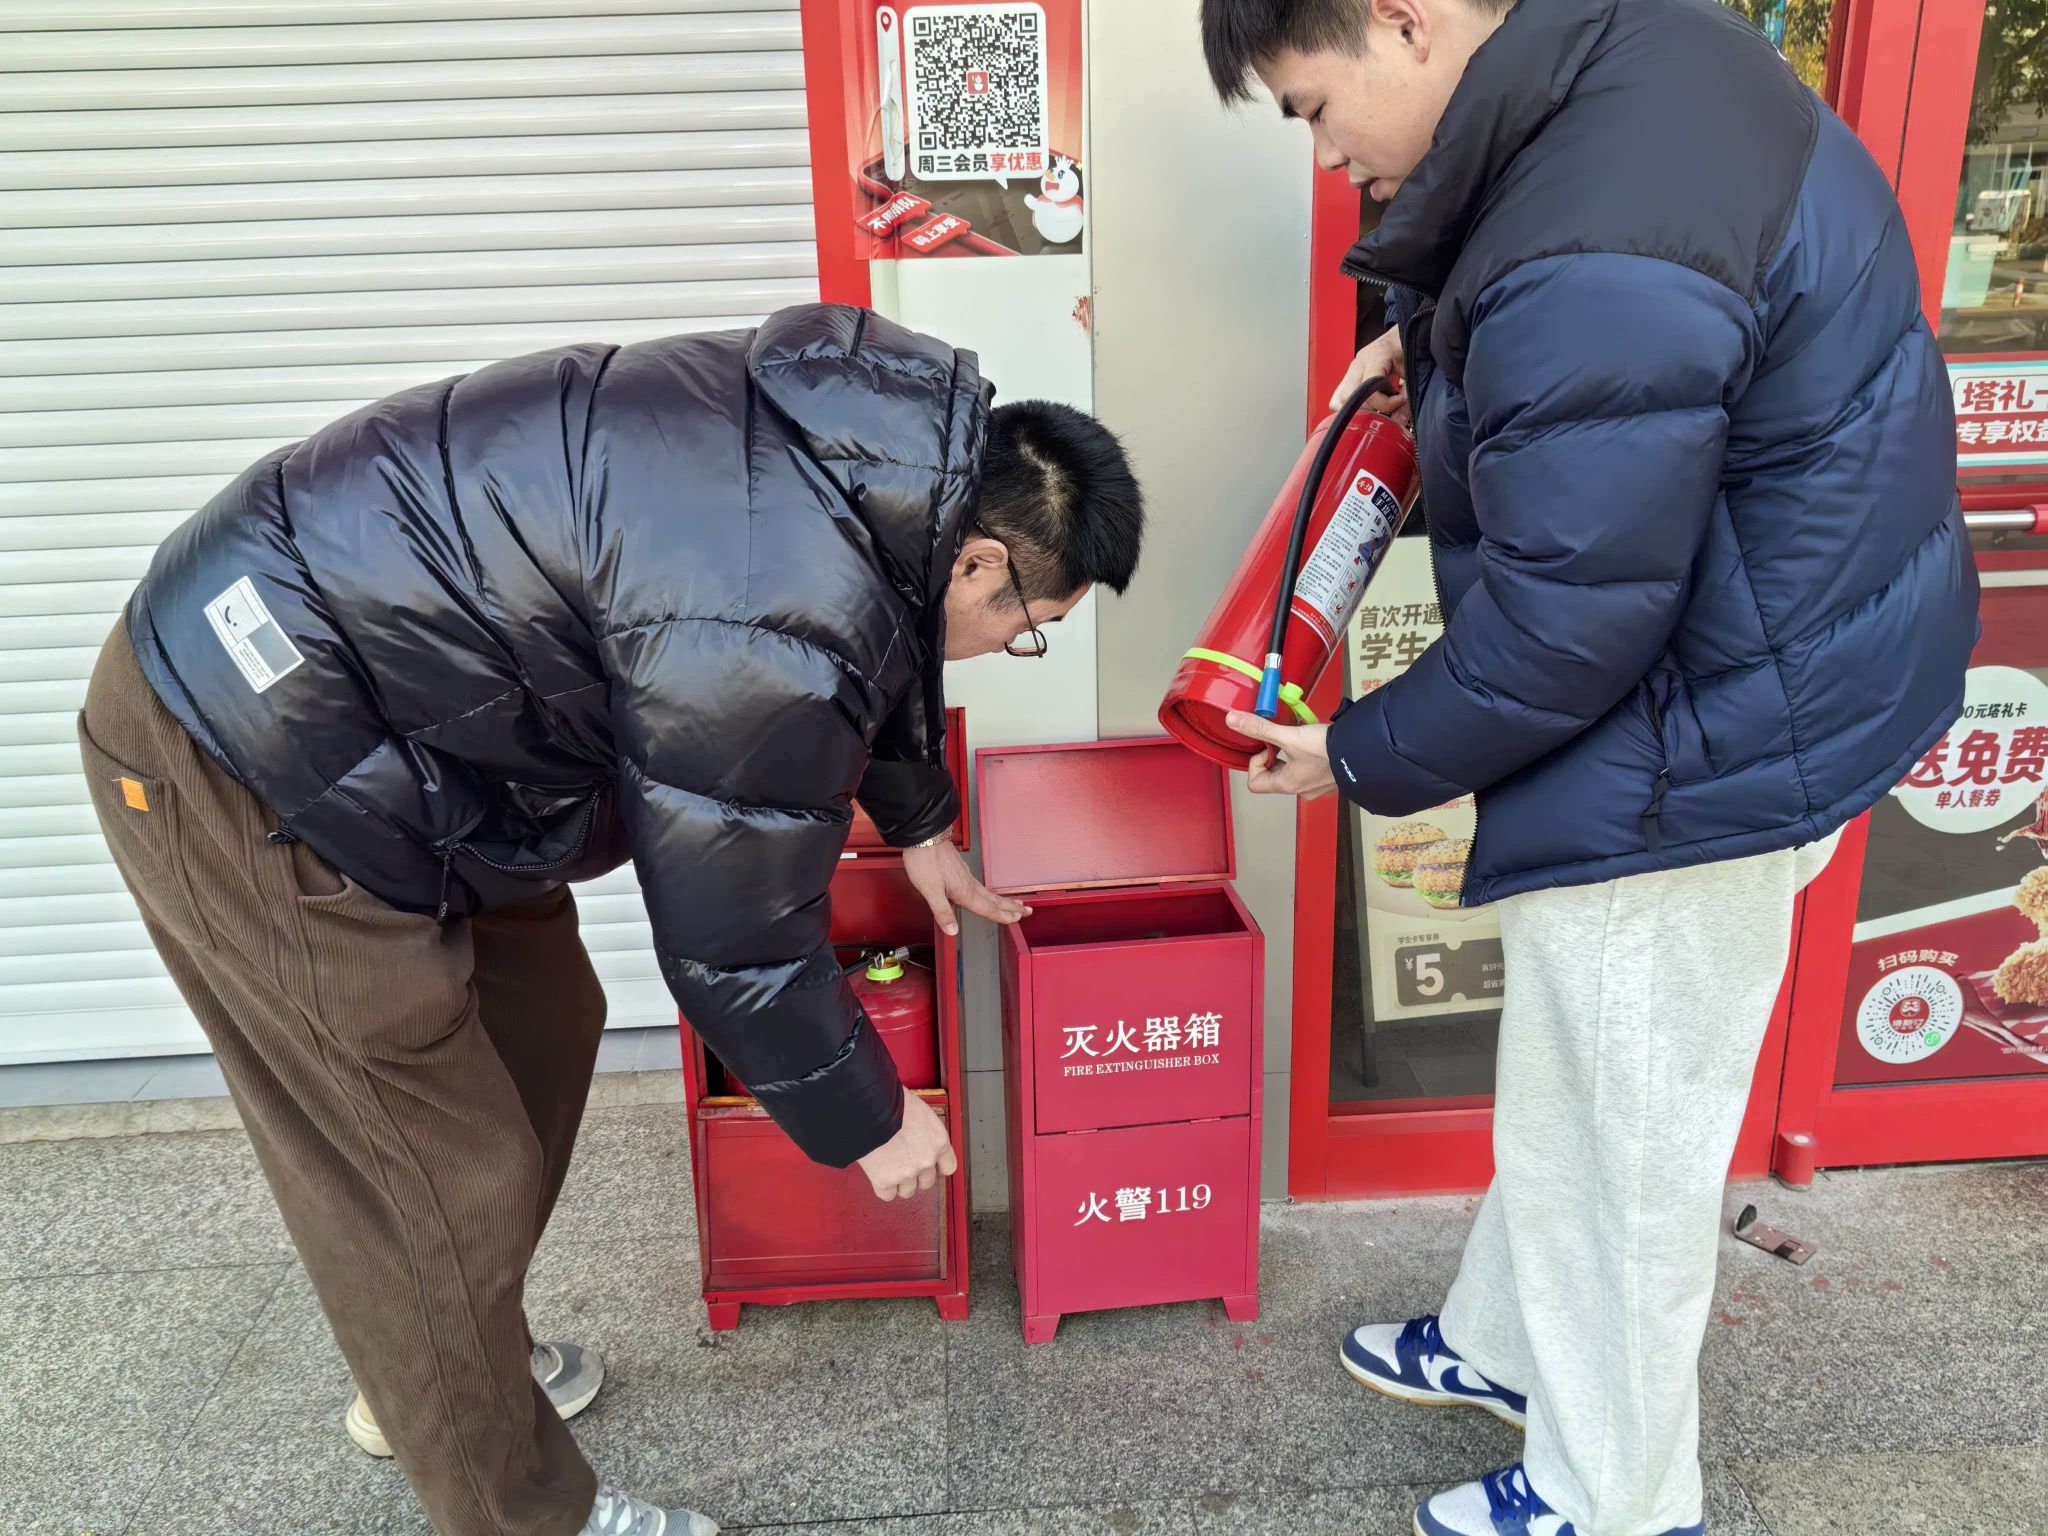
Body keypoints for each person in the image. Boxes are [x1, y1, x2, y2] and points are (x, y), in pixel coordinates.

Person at [80, 302, 1144, 1536]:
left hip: (412, 743)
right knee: (437, 1172)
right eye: (1026, 628)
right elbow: (733, 931)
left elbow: (880, 649)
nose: (1011, 645)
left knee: (545, 1021)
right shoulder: (768, 601)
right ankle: (518, 1500)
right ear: (978, 562)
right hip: (243, 743)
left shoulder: (861, 458)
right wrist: (867, 1111)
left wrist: (921, 825)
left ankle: (441, 1356)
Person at [1201, 2, 1974, 1534]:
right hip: (1779, 666)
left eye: (1311, 105)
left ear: (1404, 22)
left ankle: (1614, 1495)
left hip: (1696, 746)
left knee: (1628, 1143)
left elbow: (1570, 624)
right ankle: (1504, 1349)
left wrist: (1354, 751)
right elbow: (1628, 355)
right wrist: (1430, 345)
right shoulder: (1635, 56)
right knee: (1584, 1076)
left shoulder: (1589, 232)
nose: (1324, 151)